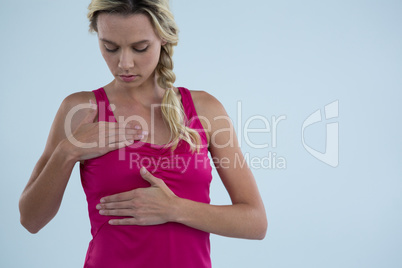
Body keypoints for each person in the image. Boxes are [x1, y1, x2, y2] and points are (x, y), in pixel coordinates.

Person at [19, 0, 267, 267]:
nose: (124, 63)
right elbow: (31, 220)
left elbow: (255, 222)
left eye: (140, 48)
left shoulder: (205, 109)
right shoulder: (80, 110)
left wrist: (175, 209)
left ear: (163, 37)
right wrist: (67, 152)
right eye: (110, 47)